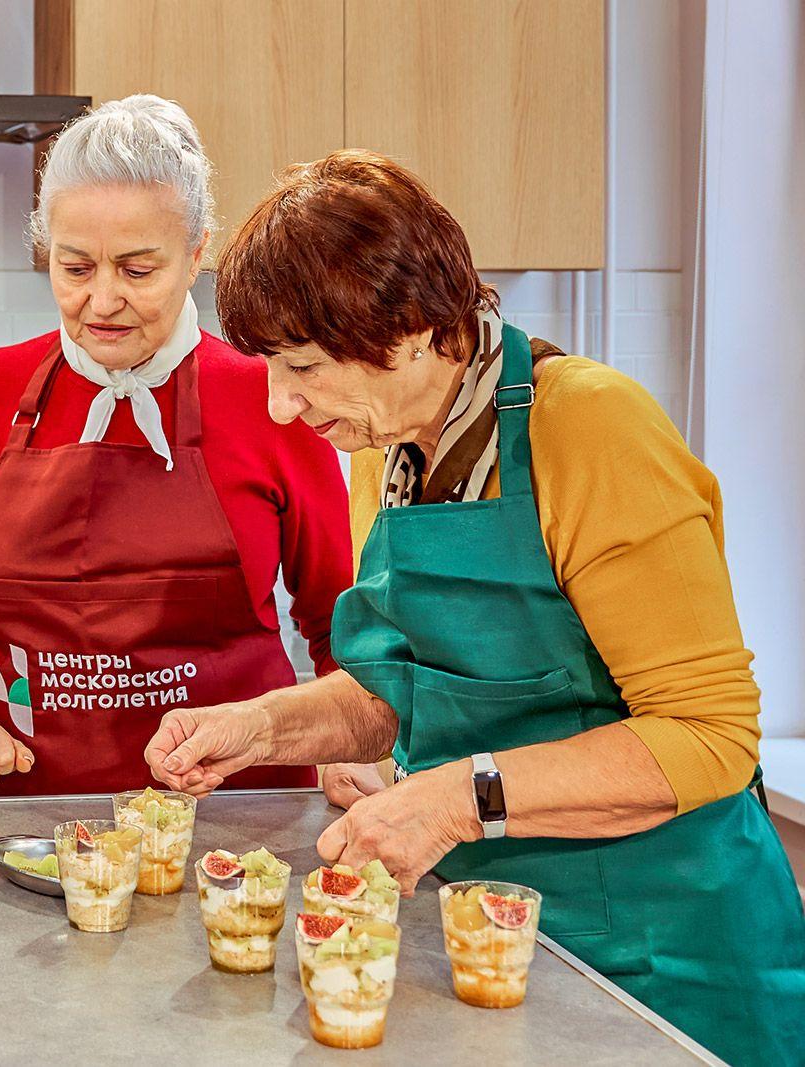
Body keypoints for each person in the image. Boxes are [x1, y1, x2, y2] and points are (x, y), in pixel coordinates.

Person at [144, 149, 805, 1064]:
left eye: (302, 367)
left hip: (667, 950)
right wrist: (260, 729)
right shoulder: (388, 450)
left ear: (412, 328)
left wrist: (458, 797)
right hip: (491, 943)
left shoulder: (591, 427)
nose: (283, 405)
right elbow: (401, 692)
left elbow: (710, 734)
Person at [0, 95, 351, 796]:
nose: (102, 302)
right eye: (76, 268)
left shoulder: (273, 396)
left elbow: (340, 621)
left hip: (239, 822)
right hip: (25, 830)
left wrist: (351, 744)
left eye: (138, 271)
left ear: (197, 253)